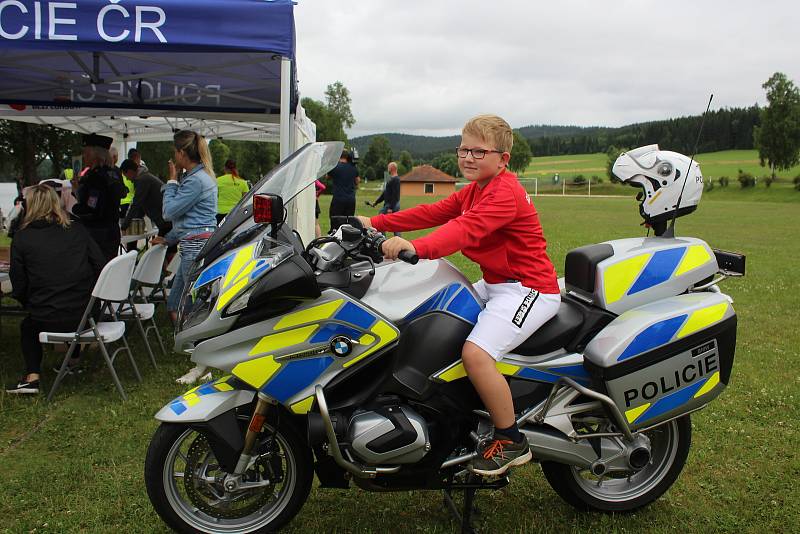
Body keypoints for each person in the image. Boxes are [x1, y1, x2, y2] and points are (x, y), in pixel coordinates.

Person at [357, 115, 561, 476]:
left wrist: (415, 248)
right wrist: (375, 222)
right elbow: (434, 211)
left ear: (503, 159)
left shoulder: (505, 192)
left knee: (476, 355)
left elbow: (464, 230)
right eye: (463, 148)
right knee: (434, 317)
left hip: (529, 288)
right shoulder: (476, 189)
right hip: (498, 284)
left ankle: (510, 438)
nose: (467, 157)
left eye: (478, 151)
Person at [5, 185, 105, 395]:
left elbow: (19, 282)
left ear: (29, 206)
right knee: (71, 306)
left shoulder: (22, 238)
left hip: (46, 314)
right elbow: (99, 264)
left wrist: (29, 302)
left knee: (28, 327)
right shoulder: (77, 229)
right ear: (55, 203)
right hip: (85, 314)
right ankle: (73, 360)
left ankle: (32, 377)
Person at [150, 130, 217, 385]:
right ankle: (199, 358)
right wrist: (168, 240)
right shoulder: (198, 177)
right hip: (195, 245)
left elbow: (168, 212)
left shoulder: (194, 181)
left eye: (173, 152)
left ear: (181, 153)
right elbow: (190, 221)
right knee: (179, 304)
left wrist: (172, 181)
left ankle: (200, 363)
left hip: (195, 248)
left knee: (188, 306)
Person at [71, 134, 127, 263]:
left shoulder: (96, 178)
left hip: (98, 234)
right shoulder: (114, 173)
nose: (83, 157)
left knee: (98, 272)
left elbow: (92, 209)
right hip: (112, 231)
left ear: (94, 155)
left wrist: (75, 208)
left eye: (85, 153)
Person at [119, 159, 170, 237]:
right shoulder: (144, 177)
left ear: (129, 171)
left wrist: (124, 226)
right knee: (162, 245)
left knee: (162, 245)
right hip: (165, 220)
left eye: (126, 176)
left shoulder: (143, 180)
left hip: (166, 221)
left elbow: (136, 204)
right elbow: (141, 205)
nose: (127, 179)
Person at [327, 150, 360, 230]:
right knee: (348, 223)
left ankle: (335, 238)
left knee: (335, 221)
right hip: (351, 200)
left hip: (338, 199)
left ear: (339, 156)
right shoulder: (354, 168)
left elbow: (327, 177)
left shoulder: (335, 167)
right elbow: (357, 180)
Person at [367, 161, 402, 236]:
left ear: (392, 168)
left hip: (392, 204)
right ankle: (391, 238)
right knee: (393, 222)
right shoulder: (391, 179)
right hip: (390, 204)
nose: (388, 169)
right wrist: (376, 202)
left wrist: (391, 208)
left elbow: (395, 195)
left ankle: (384, 238)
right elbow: (385, 194)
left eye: (388, 167)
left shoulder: (396, 179)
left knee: (382, 219)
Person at [215, 159, 250, 224]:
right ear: (236, 168)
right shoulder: (242, 182)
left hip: (220, 214)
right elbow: (246, 199)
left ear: (225, 168)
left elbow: (214, 197)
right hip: (235, 214)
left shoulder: (218, 180)